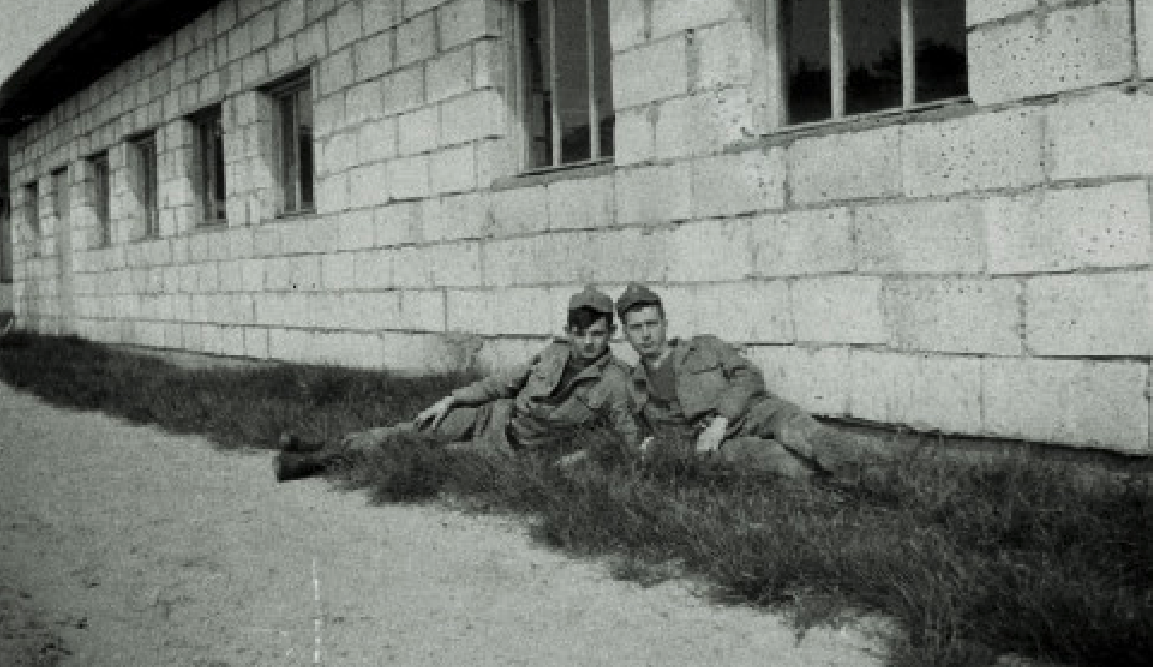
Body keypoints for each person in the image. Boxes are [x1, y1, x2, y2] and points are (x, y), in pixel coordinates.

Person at [275, 286, 639, 482]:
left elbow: (625, 439)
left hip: (512, 451)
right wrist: (451, 399)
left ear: (611, 332)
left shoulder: (615, 380)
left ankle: (321, 461)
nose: (589, 343)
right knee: (415, 428)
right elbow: (501, 383)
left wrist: (583, 455)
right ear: (568, 331)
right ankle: (318, 453)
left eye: (598, 334)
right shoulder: (553, 353)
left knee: (421, 452)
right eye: (581, 333)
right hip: (492, 416)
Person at [616, 283, 848, 479]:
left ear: (664, 323)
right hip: (719, 445)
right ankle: (853, 484)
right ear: (626, 333)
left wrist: (721, 421)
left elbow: (749, 376)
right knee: (782, 461)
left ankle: (875, 468)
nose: (646, 334)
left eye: (652, 324)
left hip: (754, 413)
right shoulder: (634, 385)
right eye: (636, 327)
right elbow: (641, 437)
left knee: (815, 438)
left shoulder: (704, 347)